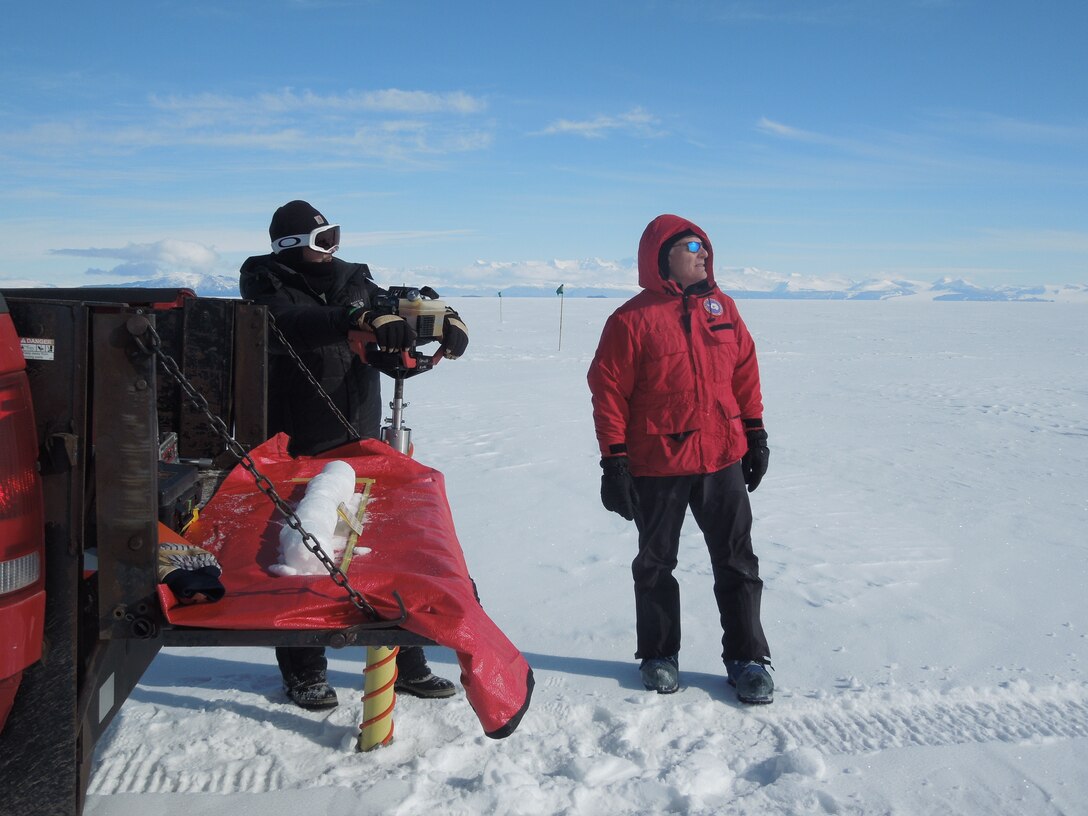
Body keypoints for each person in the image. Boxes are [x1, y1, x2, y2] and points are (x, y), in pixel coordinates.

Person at [239, 200, 469, 709]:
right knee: (301, 553)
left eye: (335, 235)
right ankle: (305, 668)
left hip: (363, 434)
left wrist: (436, 324)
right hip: (295, 439)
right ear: (290, 245)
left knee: (384, 551)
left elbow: (392, 323)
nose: (334, 248)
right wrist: (354, 317)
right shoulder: (263, 280)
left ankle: (406, 661)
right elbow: (286, 323)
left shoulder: (356, 279)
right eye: (323, 240)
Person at [586, 213, 774, 704]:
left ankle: (748, 659)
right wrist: (615, 462)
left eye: (705, 245)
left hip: (722, 456)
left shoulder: (723, 308)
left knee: (737, 562)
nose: (704, 253)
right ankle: (659, 654)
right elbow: (608, 393)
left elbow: (744, 374)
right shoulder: (630, 319)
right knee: (655, 564)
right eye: (693, 245)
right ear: (662, 255)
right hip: (657, 462)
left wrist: (754, 434)